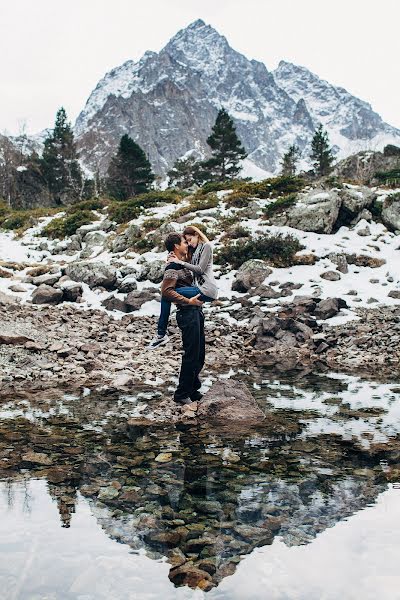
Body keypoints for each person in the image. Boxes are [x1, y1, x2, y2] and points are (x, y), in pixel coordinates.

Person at [149, 225, 218, 349]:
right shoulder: (194, 251)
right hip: (199, 293)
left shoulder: (206, 246)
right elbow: (183, 261)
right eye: (186, 242)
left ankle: (161, 334)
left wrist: (178, 262)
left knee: (166, 295)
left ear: (197, 235)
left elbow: (200, 269)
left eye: (190, 240)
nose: (189, 244)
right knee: (167, 294)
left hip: (207, 289)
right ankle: (160, 334)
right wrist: (172, 259)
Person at [159, 232, 206, 405]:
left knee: (200, 354)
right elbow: (166, 292)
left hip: (196, 312)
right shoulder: (172, 268)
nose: (187, 244)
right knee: (191, 355)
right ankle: (181, 394)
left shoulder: (182, 263)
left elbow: (201, 248)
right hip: (187, 313)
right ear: (176, 246)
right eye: (184, 242)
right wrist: (188, 301)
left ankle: (193, 390)